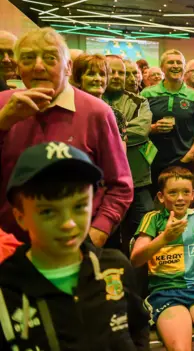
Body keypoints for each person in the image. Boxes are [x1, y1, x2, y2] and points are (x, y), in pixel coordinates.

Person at [0, 142, 149, 349]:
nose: (68, 223)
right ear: (20, 216)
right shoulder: (7, 290)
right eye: (48, 212)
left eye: (79, 206)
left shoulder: (114, 267)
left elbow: (138, 327)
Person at [0, 28, 133, 246]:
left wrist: (95, 235)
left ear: (68, 67)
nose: (39, 66)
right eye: (28, 58)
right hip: (8, 249)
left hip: (74, 247)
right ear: (17, 67)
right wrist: (3, 123)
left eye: (50, 58)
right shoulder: (3, 105)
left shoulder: (96, 112)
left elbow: (120, 185)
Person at [131, 167, 194, 351]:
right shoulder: (153, 219)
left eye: (186, 192)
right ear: (161, 197)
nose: (180, 198)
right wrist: (164, 238)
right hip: (165, 292)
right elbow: (135, 259)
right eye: (173, 192)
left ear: (193, 194)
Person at [103, 55, 155, 255]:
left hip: (137, 178)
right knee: (109, 233)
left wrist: (105, 136)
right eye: (111, 71)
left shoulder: (139, 101)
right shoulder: (92, 99)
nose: (117, 76)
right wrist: (122, 133)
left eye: (121, 72)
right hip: (105, 182)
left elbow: (141, 131)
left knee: (143, 228)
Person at [141, 49, 194, 193]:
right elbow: (137, 125)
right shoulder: (147, 94)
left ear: (184, 68)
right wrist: (153, 128)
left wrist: (191, 154)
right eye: (170, 62)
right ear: (162, 67)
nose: (175, 65)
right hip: (151, 159)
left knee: (178, 202)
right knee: (153, 203)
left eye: (179, 62)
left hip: (182, 160)